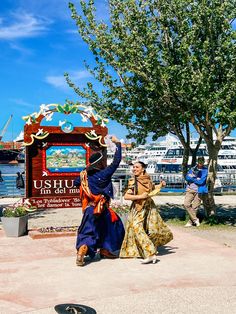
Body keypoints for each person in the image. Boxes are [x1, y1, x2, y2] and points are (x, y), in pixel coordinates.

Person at [74, 136, 125, 266]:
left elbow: (75, 183)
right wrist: (118, 144)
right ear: (100, 162)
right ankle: (103, 249)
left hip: (89, 209)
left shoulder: (83, 174)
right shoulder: (104, 174)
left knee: (88, 230)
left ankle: (86, 250)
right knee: (114, 226)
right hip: (102, 208)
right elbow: (116, 161)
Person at [119, 161, 173, 264]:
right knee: (136, 227)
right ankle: (150, 253)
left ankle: (148, 251)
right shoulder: (133, 181)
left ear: (143, 169)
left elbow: (151, 190)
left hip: (149, 207)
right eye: (133, 167)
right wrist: (140, 197)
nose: (134, 169)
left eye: (137, 167)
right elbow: (126, 196)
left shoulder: (147, 179)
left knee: (151, 229)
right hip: (139, 207)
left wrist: (160, 185)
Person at [184, 156, 208, 227]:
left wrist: (193, 178)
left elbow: (201, 182)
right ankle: (195, 220)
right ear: (197, 161)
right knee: (186, 204)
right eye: (199, 161)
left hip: (199, 191)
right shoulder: (193, 168)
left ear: (204, 162)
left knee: (195, 207)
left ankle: (190, 222)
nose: (200, 162)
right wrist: (196, 178)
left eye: (202, 161)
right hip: (190, 189)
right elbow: (187, 177)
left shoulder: (205, 170)